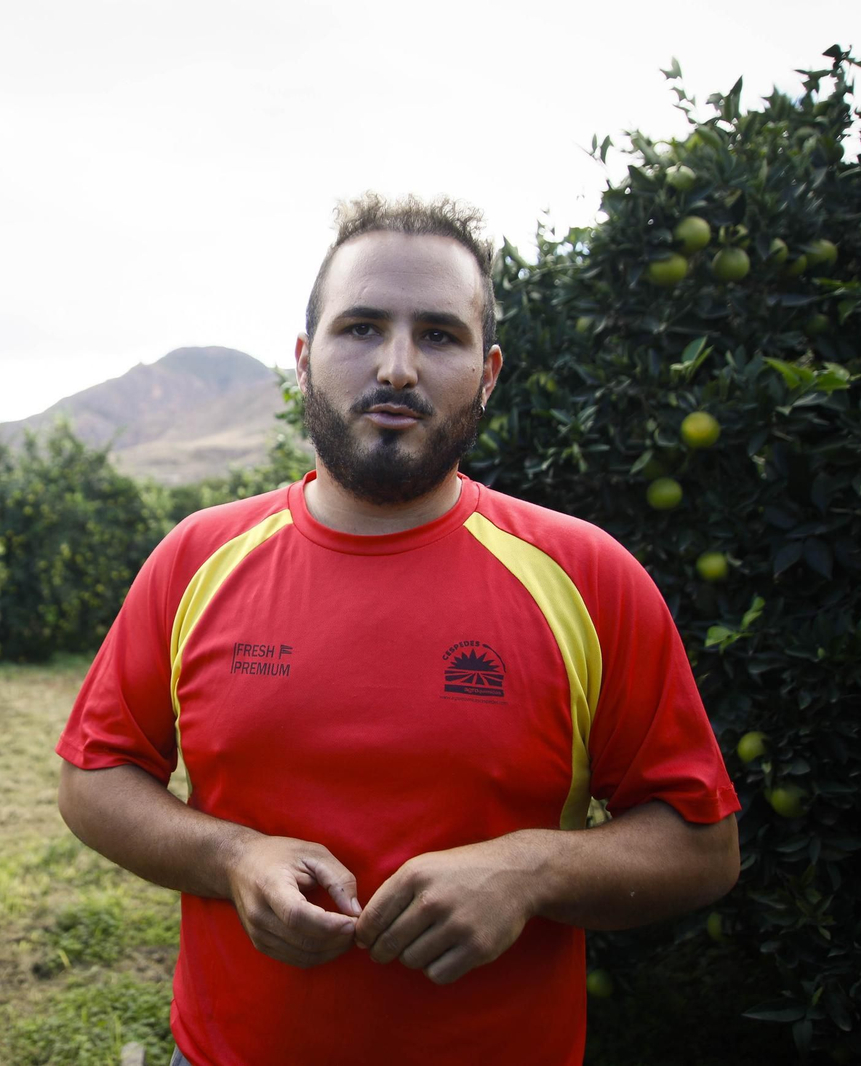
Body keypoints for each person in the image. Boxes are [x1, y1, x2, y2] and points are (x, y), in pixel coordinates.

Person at [54, 193, 742, 1066]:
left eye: (440, 336)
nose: (397, 367)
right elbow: (93, 775)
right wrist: (231, 857)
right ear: (304, 361)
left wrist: (532, 870)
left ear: (488, 374)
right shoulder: (199, 558)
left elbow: (704, 844)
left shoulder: (586, 576)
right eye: (362, 328)